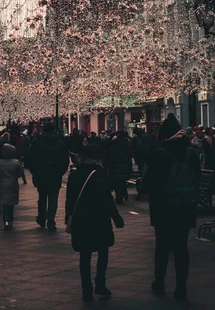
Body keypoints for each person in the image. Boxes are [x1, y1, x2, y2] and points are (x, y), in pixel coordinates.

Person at [144, 116, 201, 302]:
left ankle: (159, 282)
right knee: (181, 247)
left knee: (162, 245)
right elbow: (197, 179)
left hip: (162, 206)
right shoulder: (190, 153)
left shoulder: (158, 152)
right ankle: (181, 288)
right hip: (185, 204)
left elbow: (149, 183)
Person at [65, 144, 124, 303]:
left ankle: (86, 288)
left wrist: (68, 217)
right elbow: (107, 199)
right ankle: (100, 283)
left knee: (84, 255)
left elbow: (69, 200)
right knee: (103, 252)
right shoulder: (101, 175)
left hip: (81, 219)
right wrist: (116, 218)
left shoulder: (74, 175)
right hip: (99, 218)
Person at [29, 122, 69, 231]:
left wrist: (35, 172)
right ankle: (51, 221)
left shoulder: (37, 142)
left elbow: (32, 159)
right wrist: (60, 172)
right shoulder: (60, 143)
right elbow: (65, 161)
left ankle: (41, 217)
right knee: (53, 199)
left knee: (42, 197)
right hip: (54, 176)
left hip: (41, 175)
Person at [0, 143, 25, 231]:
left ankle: (6, 222)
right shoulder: (16, 162)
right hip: (13, 185)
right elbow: (20, 173)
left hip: (2, 184)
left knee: (4, 205)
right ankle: (10, 221)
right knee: (11, 205)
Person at [105, 130, 132, 203]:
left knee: (116, 182)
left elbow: (109, 157)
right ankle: (124, 194)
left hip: (114, 166)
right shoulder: (127, 145)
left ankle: (119, 196)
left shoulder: (113, 146)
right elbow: (129, 157)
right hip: (124, 166)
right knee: (122, 181)